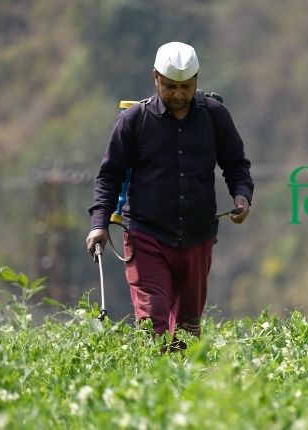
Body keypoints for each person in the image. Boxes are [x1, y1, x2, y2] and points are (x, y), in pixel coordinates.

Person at [86, 42, 253, 343]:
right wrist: (99, 224)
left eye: (186, 87)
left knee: (188, 329)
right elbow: (109, 175)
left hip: (197, 238)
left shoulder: (215, 116)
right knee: (154, 323)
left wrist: (242, 196)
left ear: (196, 81)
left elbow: (236, 164)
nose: (178, 94)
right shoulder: (134, 121)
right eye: (171, 86)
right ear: (156, 78)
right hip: (146, 236)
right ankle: (155, 382)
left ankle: (183, 386)